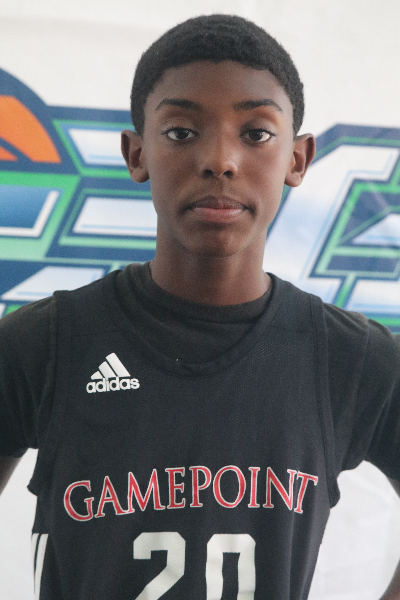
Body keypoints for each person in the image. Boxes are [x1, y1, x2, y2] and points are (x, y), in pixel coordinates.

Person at [1, 13, 400, 600]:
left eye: (256, 133)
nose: (220, 159)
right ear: (136, 154)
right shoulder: (48, 342)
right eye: (182, 131)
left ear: (297, 158)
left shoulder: (346, 357)